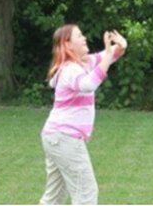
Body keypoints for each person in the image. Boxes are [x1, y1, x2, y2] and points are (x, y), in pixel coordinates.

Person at [40, 25, 127, 205]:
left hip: (55, 138)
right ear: (68, 44)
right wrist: (110, 55)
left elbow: (107, 57)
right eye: (79, 36)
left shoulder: (84, 63)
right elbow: (87, 84)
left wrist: (121, 46)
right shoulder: (70, 69)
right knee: (86, 193)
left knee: (54, 197)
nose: (85, 38)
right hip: (65, 139)